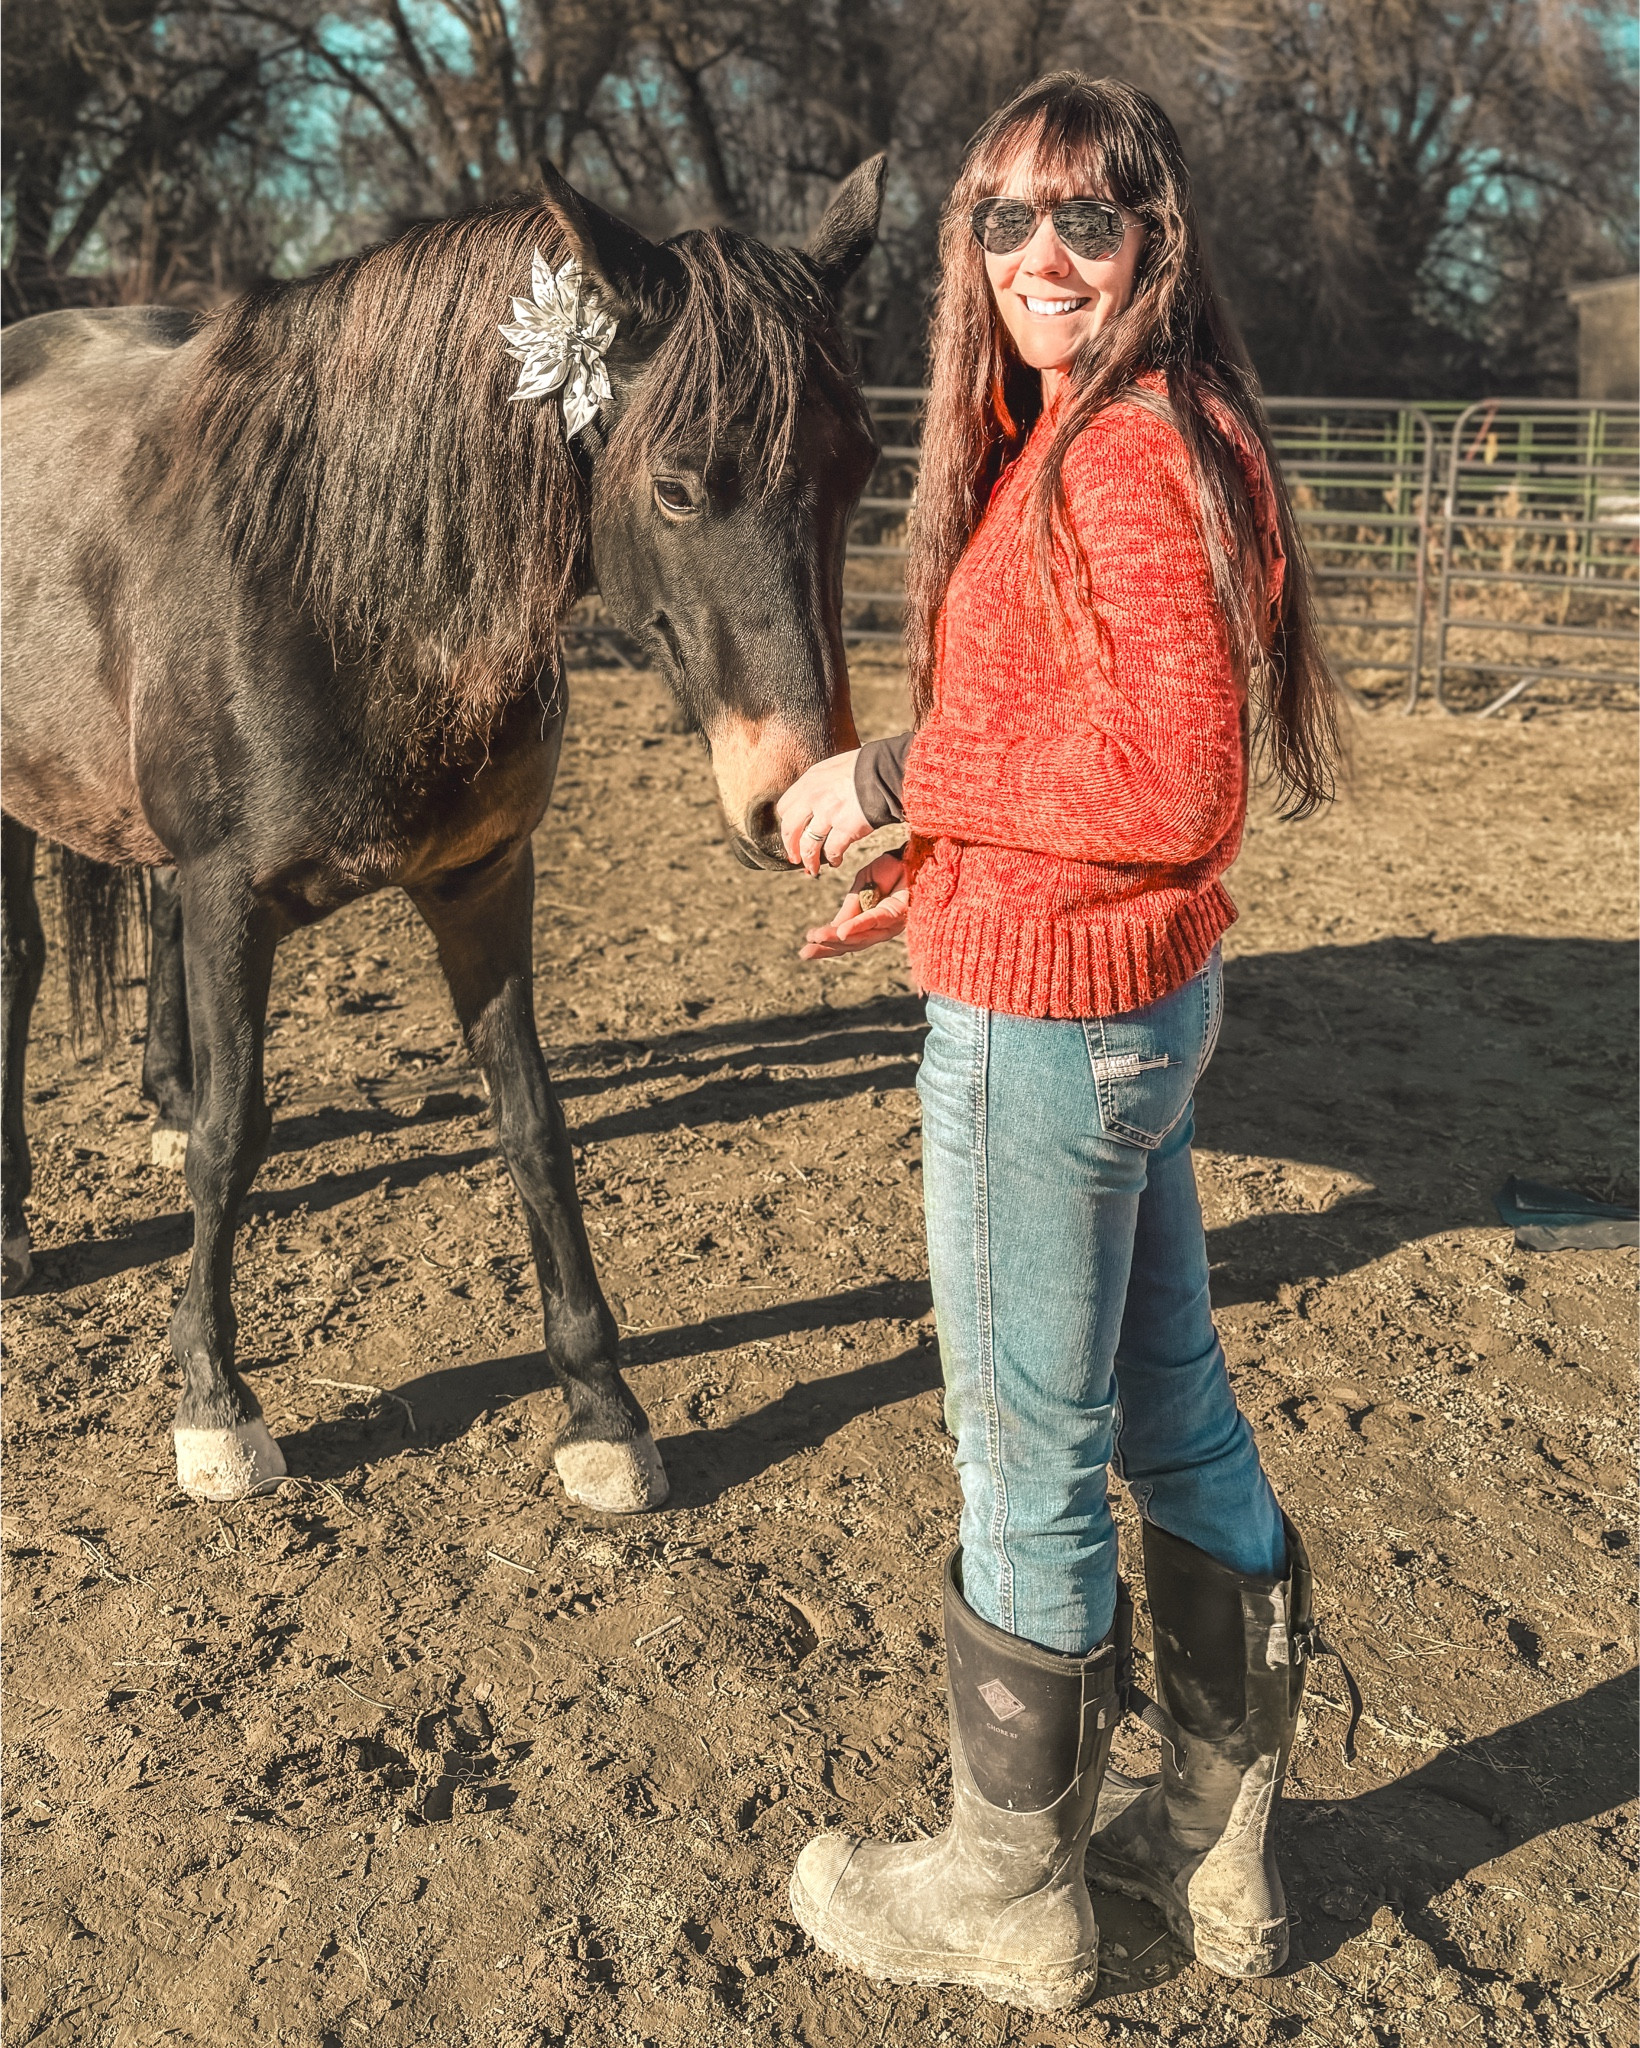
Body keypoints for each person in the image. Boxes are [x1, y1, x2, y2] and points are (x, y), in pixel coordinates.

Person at [773, 72, 1343, 2014]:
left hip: (1049, 1027)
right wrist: (934, 870)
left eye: (1080, 219)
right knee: (1168, 1404)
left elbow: (1168, 778)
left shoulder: (1119, 455)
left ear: (1148, 239)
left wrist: (890, 769)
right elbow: (1086, 770)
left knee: (1022, 1450)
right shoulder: (1115, 434)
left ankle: (1011, 1885)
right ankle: (1214, 1837)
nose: (1037, 255)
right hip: (1096, 989)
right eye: (1002, 220)